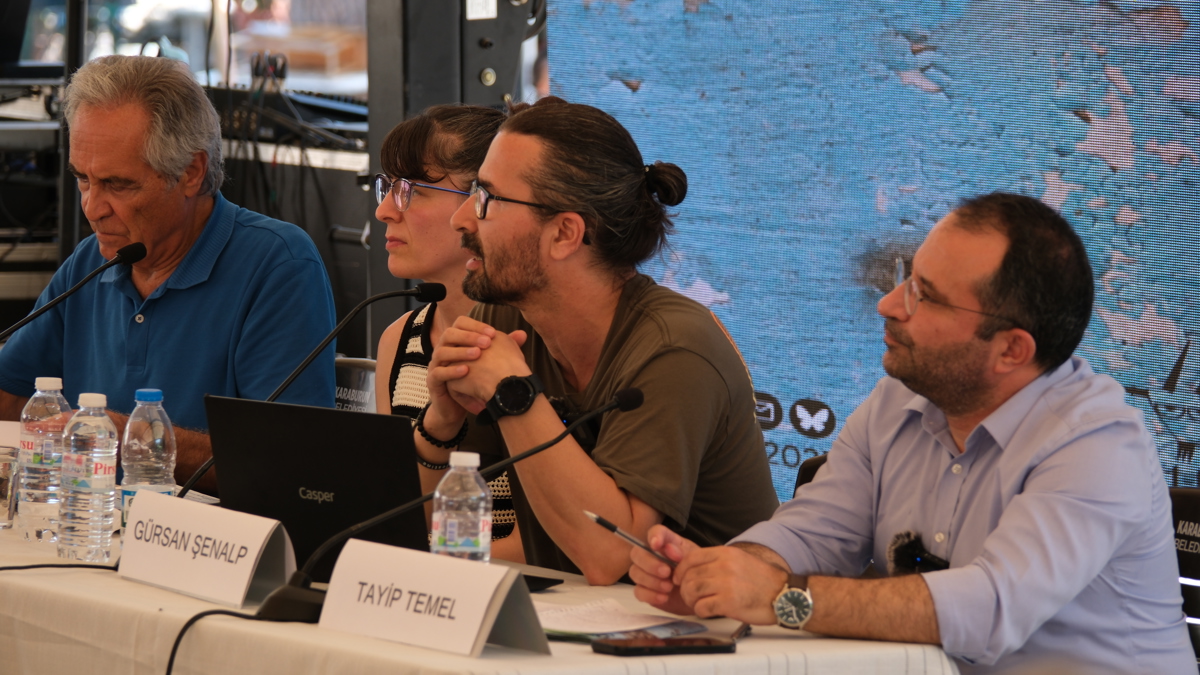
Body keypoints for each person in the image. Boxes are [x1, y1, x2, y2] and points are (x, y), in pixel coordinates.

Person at [629, 192, 1194, 674]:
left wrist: (780, 597)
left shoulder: (1097, 444)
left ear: (1011, 350)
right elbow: (815, 534)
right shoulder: (898, 401)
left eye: (925, 295)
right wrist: (723, 573)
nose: (888, 304)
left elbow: (992, 608)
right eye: (906, 278)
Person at [418, 97, 779, 582]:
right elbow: (421, 529)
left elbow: (610, 555)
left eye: (486, 197)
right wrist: (442, 424)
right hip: (572, 619)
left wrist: (512, 392)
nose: (461, 219)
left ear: (565, 233)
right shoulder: (505, 319)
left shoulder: (674, 347)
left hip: (708, 628)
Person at [0, 55, 336, 493]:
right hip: (89, 524)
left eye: (118, 184)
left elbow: (291, 464)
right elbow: (10, 397)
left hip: (208, 534)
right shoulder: (89, 263)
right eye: (83, 179)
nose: (92, 207)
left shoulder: (279, 266)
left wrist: (134, 437)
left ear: (191, 172)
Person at [371, 104, 520, 553]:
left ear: (482, 203)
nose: (384, 211)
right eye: (388, 187)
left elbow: (552, 543)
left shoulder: (532, 340)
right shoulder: (399, 339)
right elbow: (395, 511)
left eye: (412, 191)